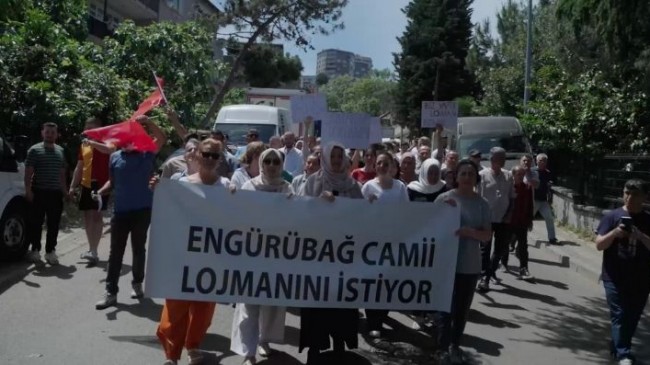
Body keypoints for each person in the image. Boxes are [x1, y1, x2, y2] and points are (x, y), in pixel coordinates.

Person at [157, 139, 228, 365]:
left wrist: (237, 198)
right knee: (175, 307)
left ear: (220, 159)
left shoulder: (228, 186)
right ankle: (171, 354)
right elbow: (166, 216)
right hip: (182, 258)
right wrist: (157, 191)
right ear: (196, 154)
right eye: (206, 154)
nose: (209, 159)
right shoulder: (180, 184)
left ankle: (193, 345)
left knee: (203, 310)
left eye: (214, 156)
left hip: (212, 258)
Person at [95, 115, 167, 310]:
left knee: (138, 248)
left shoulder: (146, 153)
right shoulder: (115, 157)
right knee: (115, 252)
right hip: (120, 212)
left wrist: (150, 122)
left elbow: (162, 139)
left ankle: (137, 284)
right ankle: (111, 293)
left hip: (142, 211)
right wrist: (101, 192)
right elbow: (113, 182)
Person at [299, 142, 362, 364]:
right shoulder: (312, 182)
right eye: (332, 156)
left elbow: (364, 217)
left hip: (344, 258)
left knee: (341, 305)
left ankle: (339, 346)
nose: (336, 160)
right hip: (317, 258)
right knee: (317, 305)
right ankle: (314, 348)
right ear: (325, 158)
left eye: (339, 156)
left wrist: (372, 207)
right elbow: (300, 212)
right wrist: (318, 204)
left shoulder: (353, 186)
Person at [231, 149, 292, 365]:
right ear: (261, 163)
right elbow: (239, 216)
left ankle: (264, 340)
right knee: (250, 305)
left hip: (278, 255)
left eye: (276, 161)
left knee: (273, 303)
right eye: (268, 161)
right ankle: (249, 351)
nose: (272, 165)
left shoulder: (287, 189)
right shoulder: (250, 187)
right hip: (252, 254)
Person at [434, 159, 492, 364]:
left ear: (476, 178)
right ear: (455, 177)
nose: (467, 177)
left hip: (469, 265)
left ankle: (454, 345)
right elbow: (430, 228)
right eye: (463, 173)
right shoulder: (443, 199)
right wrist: (444, 212)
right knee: (444, 307)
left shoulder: (482, 203)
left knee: (461, 309)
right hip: (445, 263)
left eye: (470, 174)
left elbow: (487, 235)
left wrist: (471, 233)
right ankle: (441, 348)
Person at [595, 179, 650, 365]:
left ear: (644, 197)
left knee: (633, 316)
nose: (629, 197)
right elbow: (599, 245)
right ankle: (624, 354)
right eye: (626, 193)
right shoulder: (612, 216)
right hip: (614, 276)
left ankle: (618, 344)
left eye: (634, 194)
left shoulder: (648, 220)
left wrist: (641, 236)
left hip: (641, 278)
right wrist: (614, 233)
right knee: (619, 313)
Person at [360, 151, 409, 339]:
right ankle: (373, 322)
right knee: (372, 283)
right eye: (379, 163)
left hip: (393, 243)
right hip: (372, 244)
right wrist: (367, 204)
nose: (381, 166)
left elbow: (407, 213)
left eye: (385, 163)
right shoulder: (368, 187)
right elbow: (358, 213)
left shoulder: (400, 187)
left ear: (392, 166)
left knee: (387, 283)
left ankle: (381, 317)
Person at [69, 118, 116, 265]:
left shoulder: (108, 140)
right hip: (86, 184)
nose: (89, 132)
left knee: (97, 216)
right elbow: (79, 166)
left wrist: (94, 143)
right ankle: (91, 249)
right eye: (87, 129)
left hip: (101, 185)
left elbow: (110, 150)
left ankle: (94, 251)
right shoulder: (84, 145)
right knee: (87, 217)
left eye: (92, 129)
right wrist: (72, 186)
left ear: (100, 129)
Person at [24, 122, 68, 265]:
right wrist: (28, 191)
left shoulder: (60, 151)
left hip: (55, 194)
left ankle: (50, 252)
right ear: (42, 133)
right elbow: (28, 173)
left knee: (54, 224)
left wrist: (65, 192)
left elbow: (62, 175)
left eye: (52, 132)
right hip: (39, 192)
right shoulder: (34, 150)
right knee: (36, 222)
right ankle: (35, 250)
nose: (50, 135)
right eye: (47, 132)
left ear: (57, 134)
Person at [477, 147, 514, 293]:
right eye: (501, 158)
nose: (504, 161)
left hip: (503, 219)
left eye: (504, 158)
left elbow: (512, 198)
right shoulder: (482, 175)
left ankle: (490, 272)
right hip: (487, 218)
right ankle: (484, 277)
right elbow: (477, 197)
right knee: (485, 249)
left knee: (500, 249)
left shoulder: (508, 175)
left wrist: (509, 214)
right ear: (493, 160)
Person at [506, 165, 534, 280]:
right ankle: (503, 263)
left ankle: (524, 268)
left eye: (523, 174)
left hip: (522, 221)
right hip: (509, 220)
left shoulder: (527, 187)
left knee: (523, 245)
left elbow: (530, 205)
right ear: (513, 175)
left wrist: (530, 220)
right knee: (504, 244)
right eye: (518, 174)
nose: (521, 177)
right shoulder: (508, 187)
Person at [533, 153, 558, 244]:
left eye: (544, 161)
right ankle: (516, 238)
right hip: (533, 200)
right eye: (540, 160)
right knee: (526, 220)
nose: (542, 162)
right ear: (536, 161)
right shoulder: (533, 171)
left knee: (549, 218)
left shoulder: (548, 173)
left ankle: (552, 238)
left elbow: (549, 186)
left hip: (543, 200)